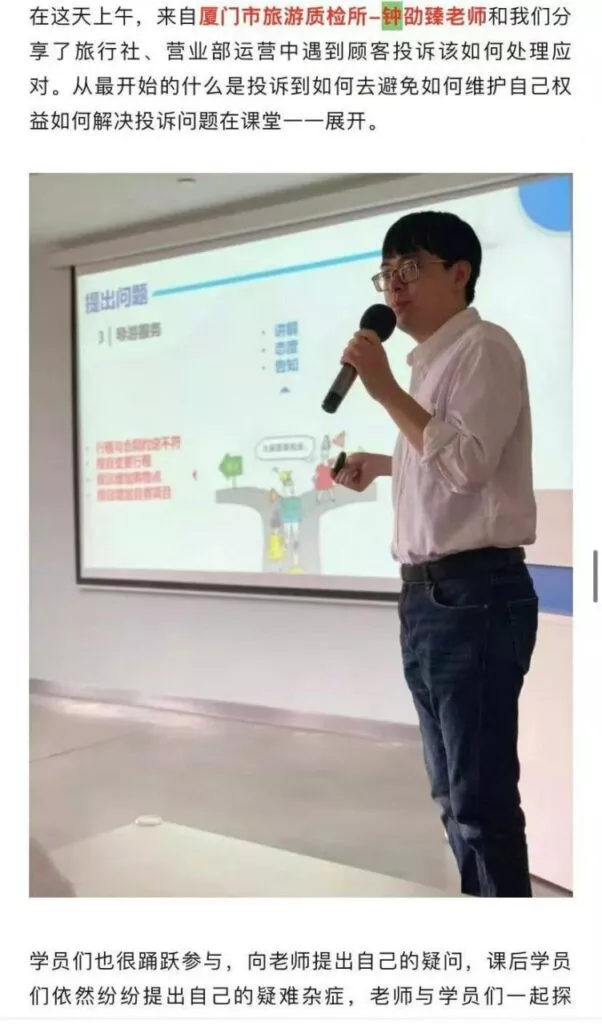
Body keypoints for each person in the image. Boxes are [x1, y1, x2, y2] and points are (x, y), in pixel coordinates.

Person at [336, 210, 538, 898]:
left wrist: (385, 391)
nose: (394, 286)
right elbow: (440, 457)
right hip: (427, 596)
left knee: (479, 800)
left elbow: (470, 466)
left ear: (459, 273)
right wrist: (382, 463)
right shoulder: (430, 364)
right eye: (386, 273)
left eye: (410, 268)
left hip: (474, 593)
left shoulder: (485, 349)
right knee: (451, 793)